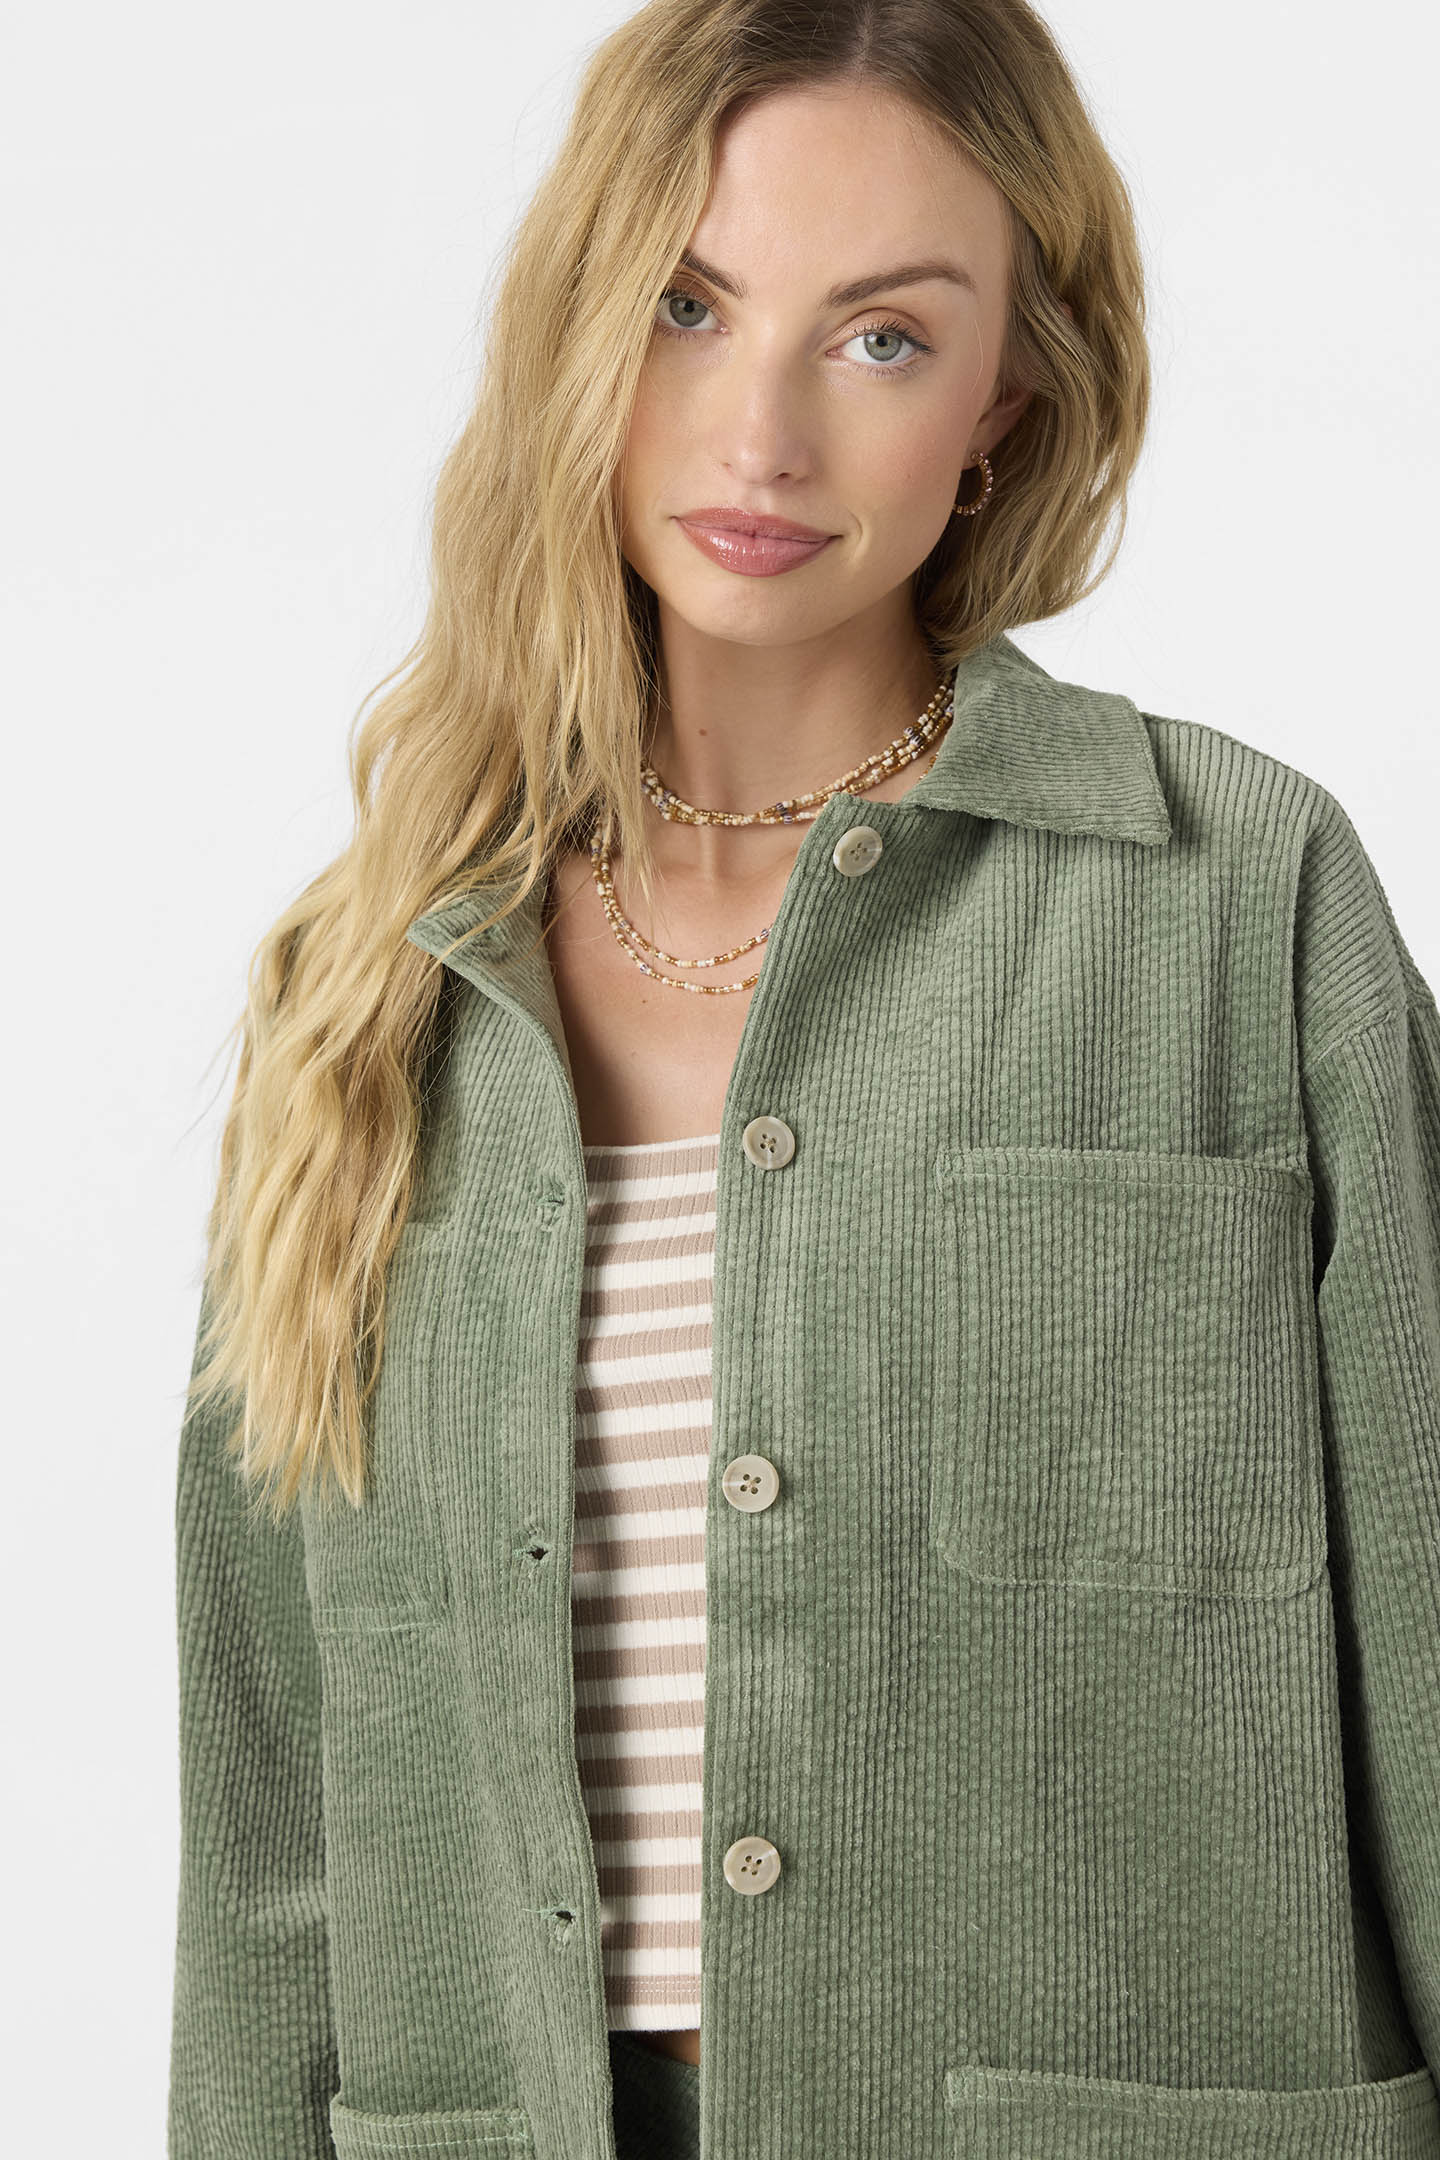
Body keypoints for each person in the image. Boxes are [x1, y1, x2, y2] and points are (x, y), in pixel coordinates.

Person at [167, 2, 1440, 2157]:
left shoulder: (1236, 901)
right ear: (579, 331)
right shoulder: (370, 990)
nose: (759, 433)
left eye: (881, 339)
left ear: (1005, 403)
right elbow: (275, 1823)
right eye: (689, 306)